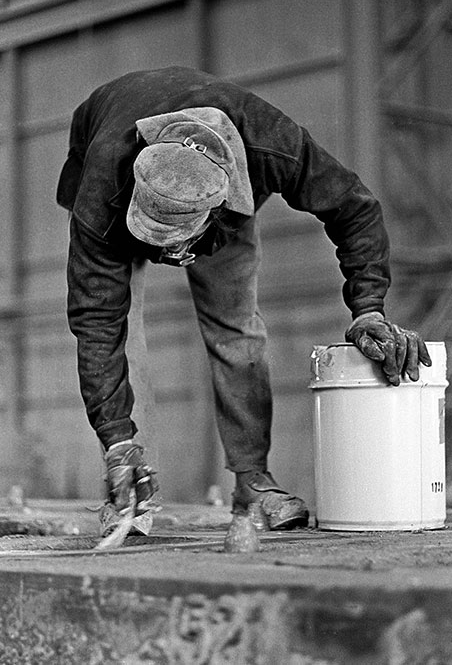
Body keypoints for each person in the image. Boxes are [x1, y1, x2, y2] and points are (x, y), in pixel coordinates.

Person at [56, 66, 431, 533]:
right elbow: (95, 324)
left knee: (237, 327)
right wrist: (115, 437)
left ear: (219, 200)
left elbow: (355, 208)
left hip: (226, 199)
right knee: (120, 325)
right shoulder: (103, 188)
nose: (165, 254)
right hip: (110, 177)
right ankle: (130, 485)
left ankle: (253, 482)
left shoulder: (273, 145)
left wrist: (369, 307)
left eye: (174, 241)